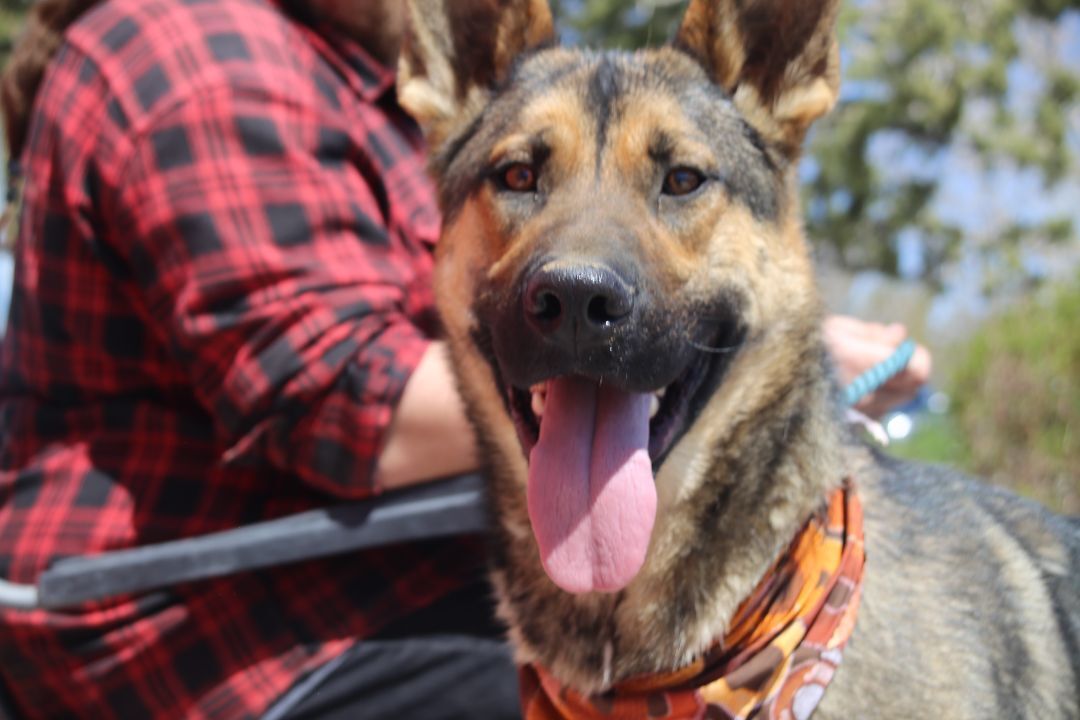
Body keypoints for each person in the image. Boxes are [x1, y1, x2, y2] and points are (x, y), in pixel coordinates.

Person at [0, 1, 930, 718]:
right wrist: (790, 354)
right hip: (205, 624)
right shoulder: (197, 51)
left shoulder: (351, 80)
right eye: (521, 179)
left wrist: (765, 352)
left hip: (386, 577)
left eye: (681, 182)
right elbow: (332, 395)